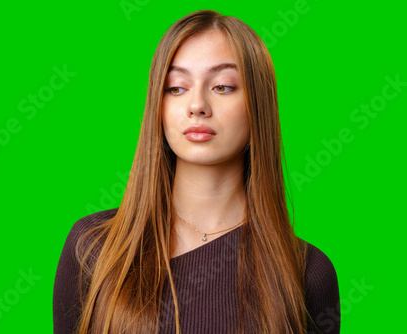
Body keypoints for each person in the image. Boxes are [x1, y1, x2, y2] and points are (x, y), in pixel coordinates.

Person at [53, 9, 340, 334]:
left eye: (222, 87)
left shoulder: (308, 271)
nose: (197, 105)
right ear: (157, 106)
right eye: (176, 88)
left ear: (258, 104)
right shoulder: (94, 246)